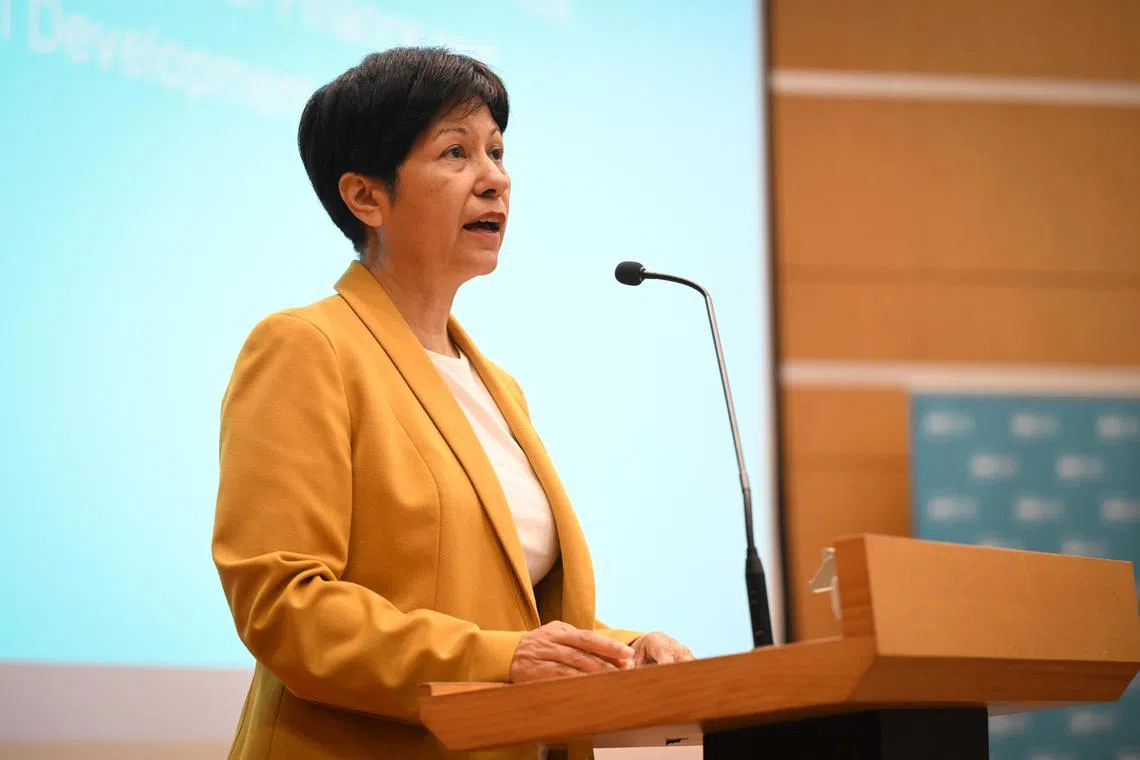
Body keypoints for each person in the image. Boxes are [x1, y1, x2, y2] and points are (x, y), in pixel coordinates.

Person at [211, 46, 693, 760]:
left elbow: (512, 618)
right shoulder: (307, 347)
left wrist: (626, 651)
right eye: (455, 152)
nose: (495, 178)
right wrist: (498, 659)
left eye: (497, 151)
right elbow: (285, 606)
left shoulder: (498, 386)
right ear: (366, 196)